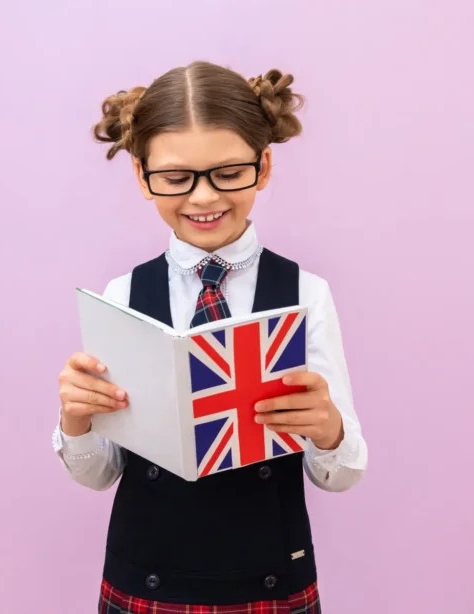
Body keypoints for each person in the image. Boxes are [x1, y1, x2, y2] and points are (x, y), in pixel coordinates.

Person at [51, 60, 368, 613]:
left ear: (263, 166)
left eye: (227, 172)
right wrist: (76, 421)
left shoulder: (305, 294)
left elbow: (340, 476)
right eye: (176, 178)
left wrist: (330, 430)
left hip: (270, 583)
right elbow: (99, 472)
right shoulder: (122, 295)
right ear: (141, 175)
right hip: (143, 582)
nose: (202, 198)